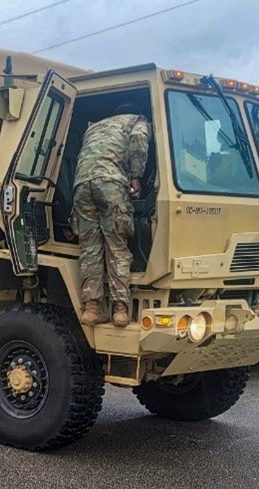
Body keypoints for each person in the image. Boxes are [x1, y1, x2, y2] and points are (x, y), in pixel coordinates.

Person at [71, 104, 151, 327]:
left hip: (82, 185)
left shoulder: (93, 128)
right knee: (116, 246)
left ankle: (92, 308)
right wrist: (136, 176)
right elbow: (138, 143)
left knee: (90, 248)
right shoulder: (137, 120)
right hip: (111, 183)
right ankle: (120, 310)